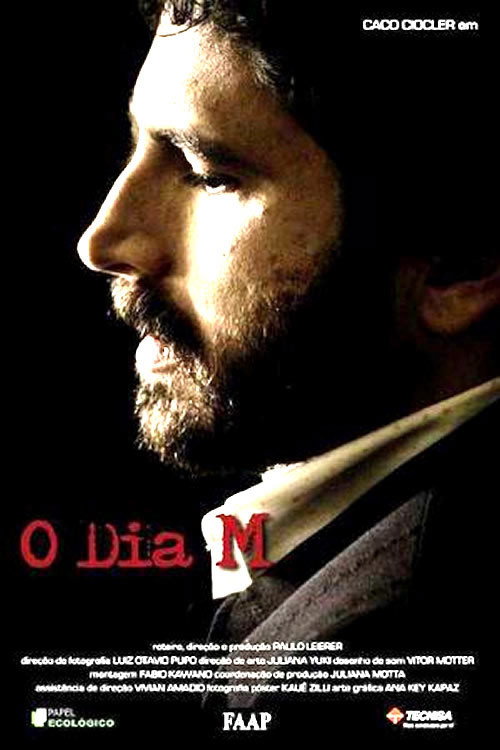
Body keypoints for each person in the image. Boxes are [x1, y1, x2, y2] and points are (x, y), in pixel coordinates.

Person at [77, 0, 497, 733]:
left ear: (457, 268)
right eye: (135, 147)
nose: (103, 240)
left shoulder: (379, 650)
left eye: (208, 174)